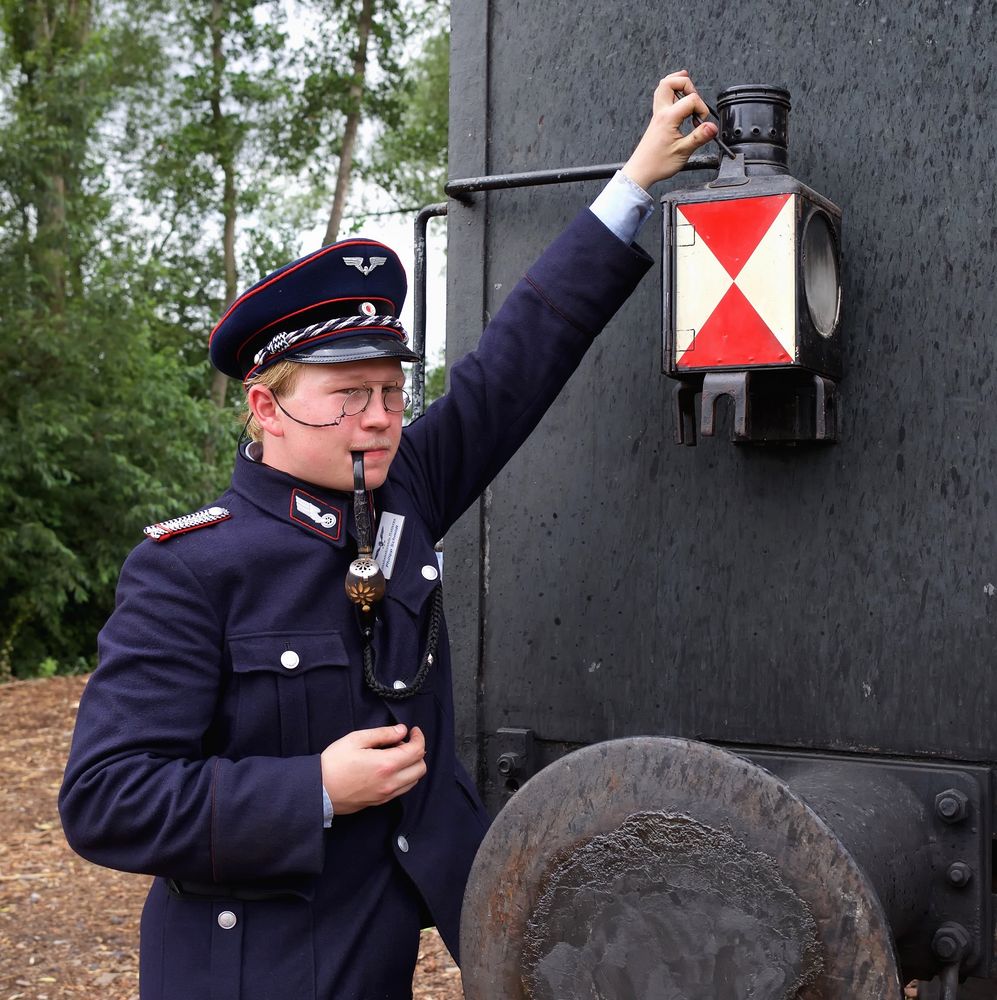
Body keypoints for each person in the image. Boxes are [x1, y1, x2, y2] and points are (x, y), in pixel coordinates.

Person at [59, 72, 717, 1000]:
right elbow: (104, 802)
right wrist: (313, 788)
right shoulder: (191, 569)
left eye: (392, 393)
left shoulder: (401, 490)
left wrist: (636, 181)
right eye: (348, 397)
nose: (379, 419)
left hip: (377, 960)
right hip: (253, 975)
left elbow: (516, 360)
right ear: (267, 408)